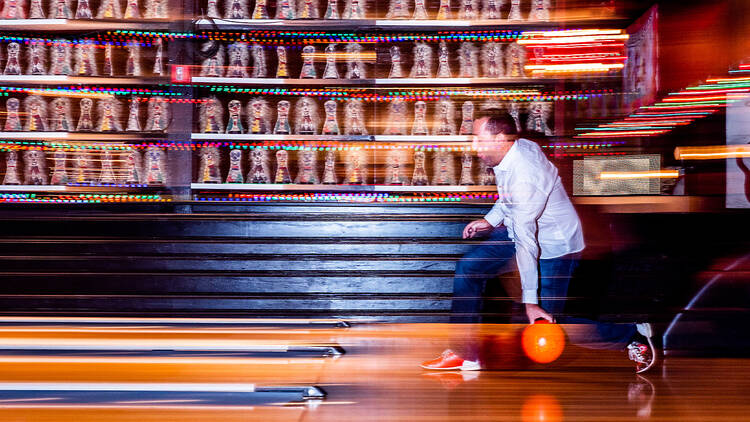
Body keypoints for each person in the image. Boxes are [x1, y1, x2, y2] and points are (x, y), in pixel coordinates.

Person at [420, 110, 656, 374]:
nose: (474, 146)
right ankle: (464, 353)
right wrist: (491, 220)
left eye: (479, 138)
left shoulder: (526, 174)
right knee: (469, 269)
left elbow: (527, 244)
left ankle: (630, 336)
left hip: (554, 246)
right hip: (521, 231)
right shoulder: (512, 152)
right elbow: (510, 200)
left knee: (548, 322)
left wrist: (531, 302)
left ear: (500, 139)